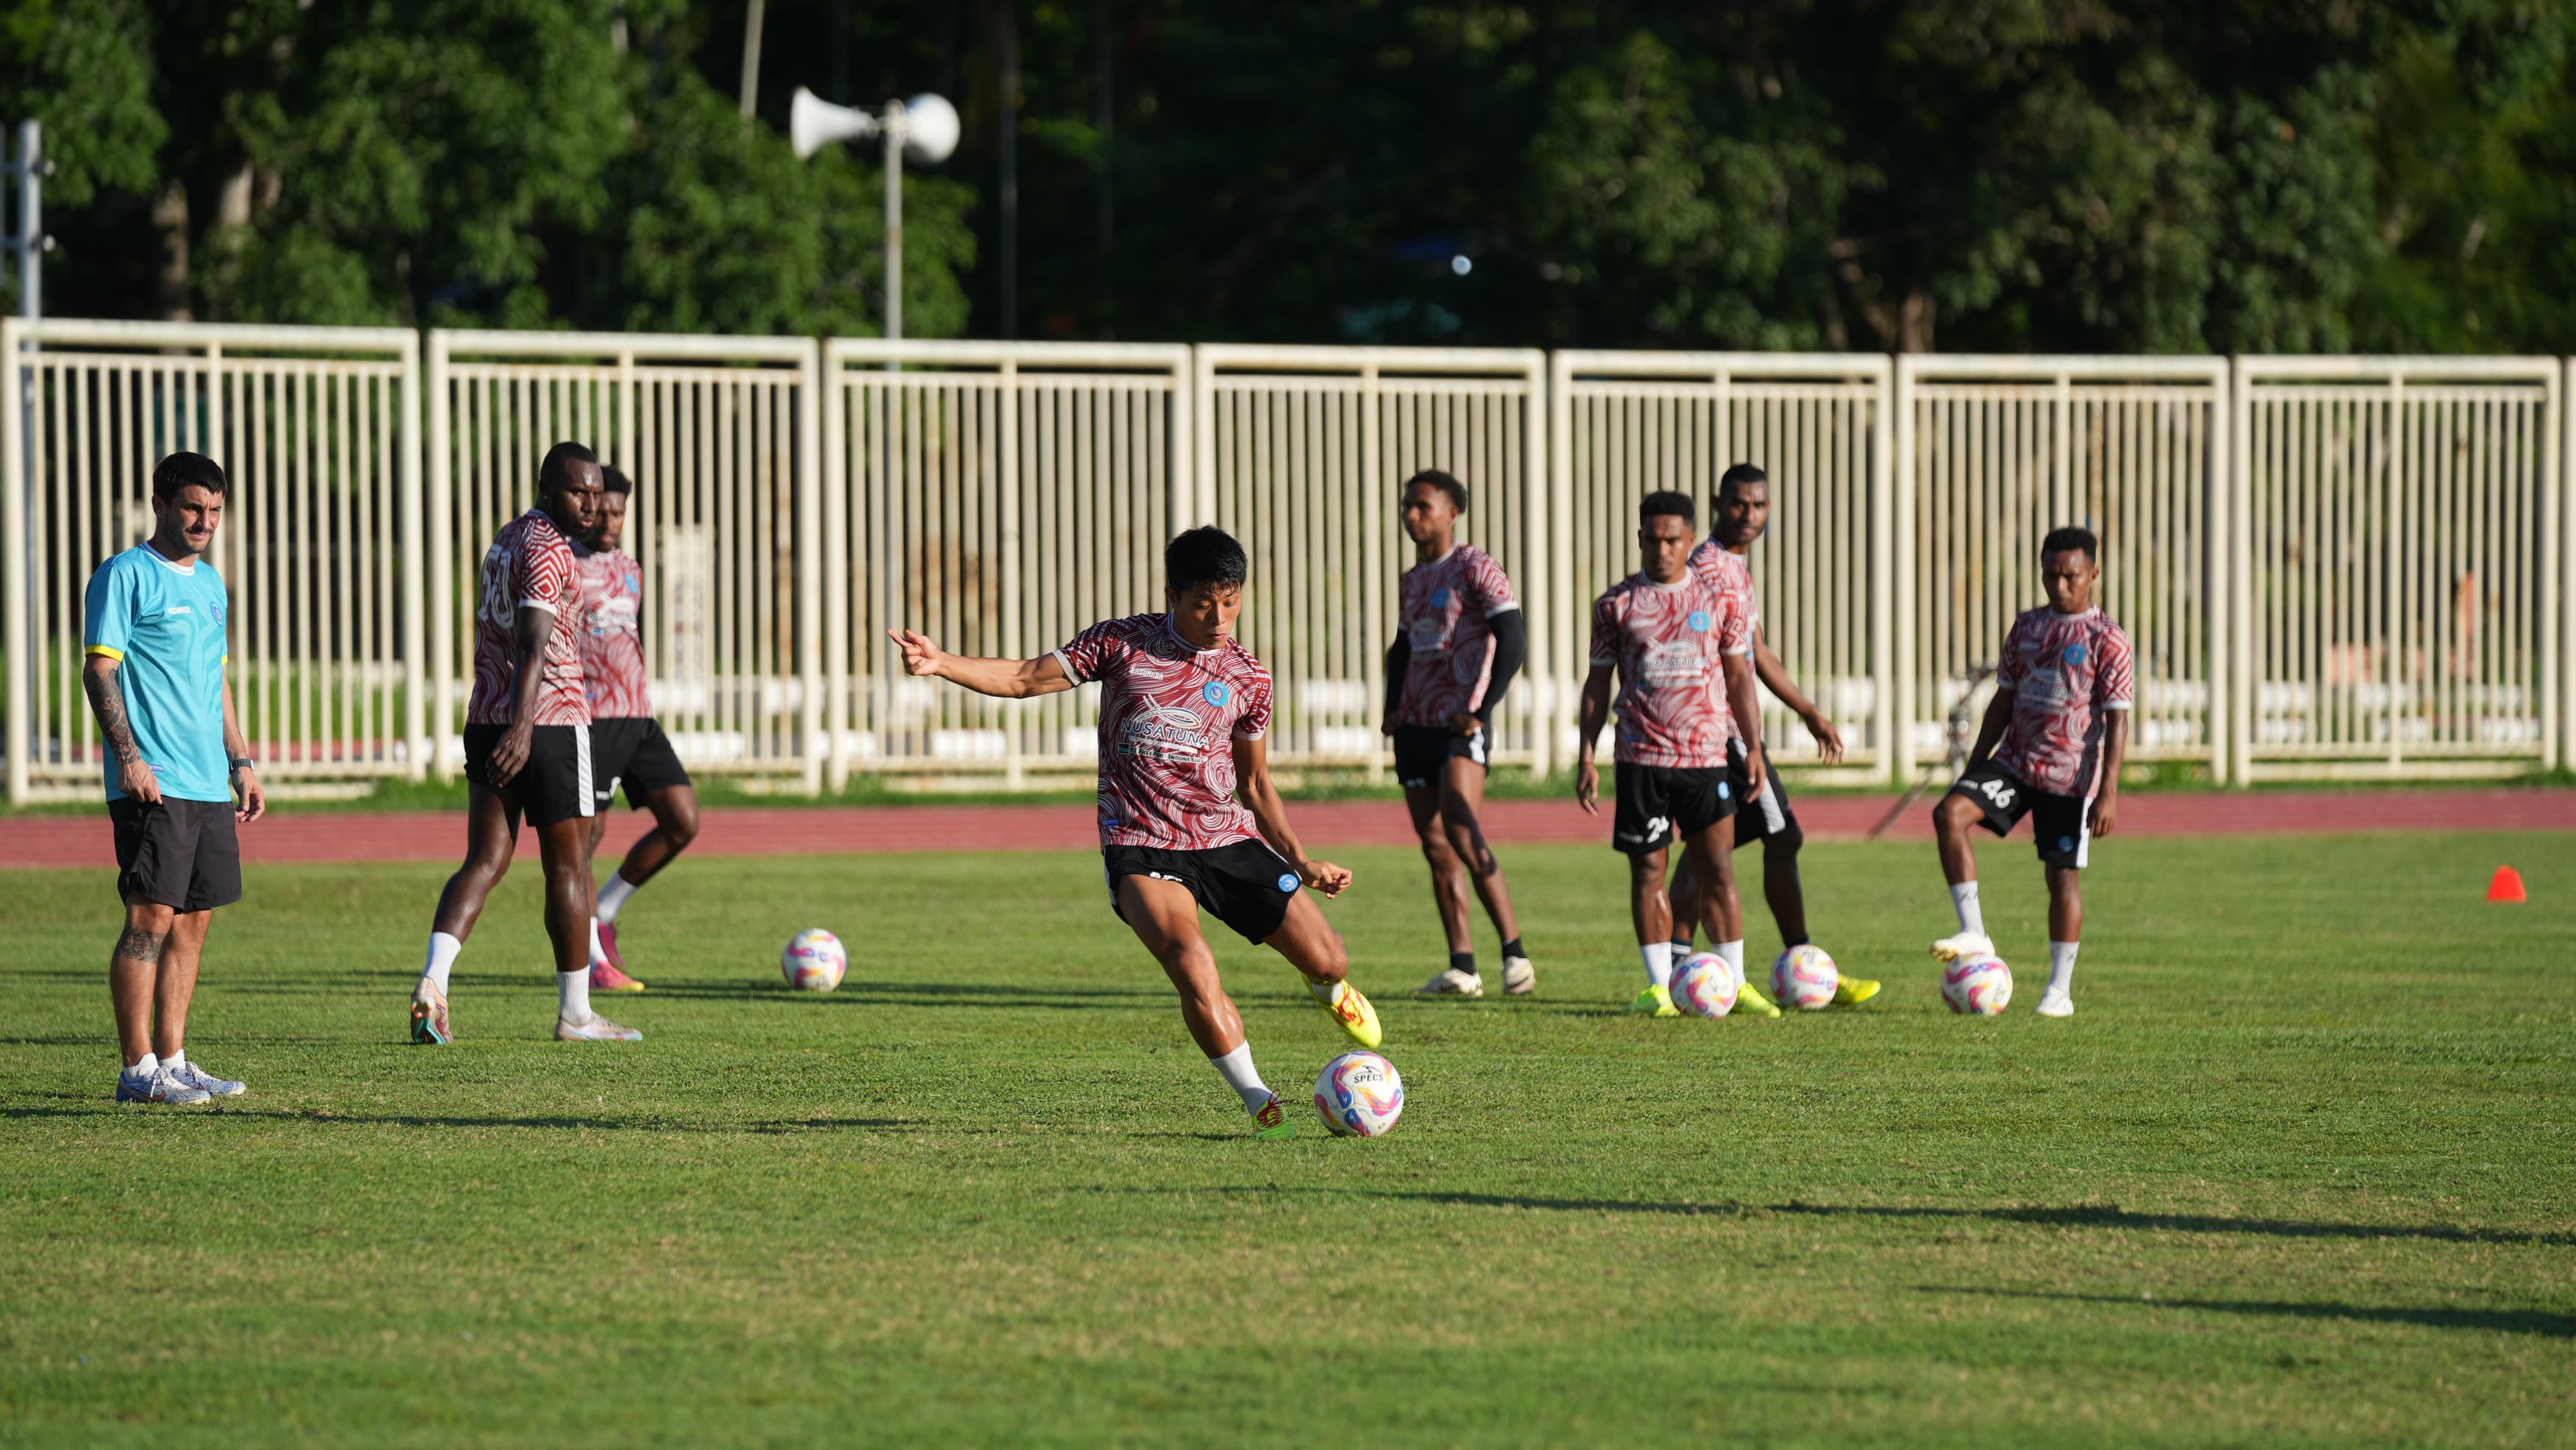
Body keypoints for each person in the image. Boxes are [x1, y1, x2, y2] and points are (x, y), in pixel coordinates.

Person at [889, 526, 1381, 1138]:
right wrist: (941, 664)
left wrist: (1302, 860)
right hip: (1142, 844)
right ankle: (1259, 1098)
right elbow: (1022, 677)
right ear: (1172, 593)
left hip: (1224, 837)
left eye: (1231, 600)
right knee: (1190, 960)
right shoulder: (1121, 643)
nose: (1219, 617)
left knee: (1330, 957)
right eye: (1204, 602)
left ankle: (1326, 986)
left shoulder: (1248, 678)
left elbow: (1254, 785)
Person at [409, 442, 640, 1043]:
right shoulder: (549, 550)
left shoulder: (506, 540)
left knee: (485, 860)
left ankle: (434, 981)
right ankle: (576, 1016)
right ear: (547, 489)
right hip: (549, 722)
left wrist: (507, 722)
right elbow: (533, 643)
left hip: (487, 715)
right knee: (570, 867)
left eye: (595, 493)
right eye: (577, 492)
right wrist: (524, 725)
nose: (590, 504)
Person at [82, 451, 265, 1104]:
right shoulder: (124, 576)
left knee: (193, 921)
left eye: (214, 510)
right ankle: (137, 1072)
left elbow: (216, 679)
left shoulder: (211, 583)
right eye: (193, 507)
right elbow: (99, 671)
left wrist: (239, 761)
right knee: (149, 918)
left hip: (207, 781)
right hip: (152, 780)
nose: (204, 521)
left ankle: (175, 1060)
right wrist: (128, 756)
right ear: (160, 504)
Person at [1664, 465, 1878, 1010]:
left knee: (1708, 848)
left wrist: (1807, 709)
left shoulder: (1736, 567)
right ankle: (1799, 961)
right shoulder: (1707, 567)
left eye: (1760, 506)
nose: (1751, 516)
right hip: (1721, 730)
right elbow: (1724, 659)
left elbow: (1756, 650)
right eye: (1740, 504)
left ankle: (1677, 970)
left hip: (1723, 730)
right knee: (1774, 839)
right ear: (1719, 502)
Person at [1575, 491, 1766, 1018]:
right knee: (1647, 873)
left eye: (1673, 540)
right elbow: (1597, 685)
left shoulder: (1717, 600)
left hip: (1706, 757)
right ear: (1640, 539)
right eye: (1653, 540)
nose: (1662, 550)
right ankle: (1660, 988)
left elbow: (1738, 678)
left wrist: (1753, 747)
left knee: (1719, 868)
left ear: (1689, 541)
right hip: (1641, 757)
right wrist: (1587, 754)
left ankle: (1739, 981)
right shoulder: (1615, 605)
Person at [1928, 526, 2132, 1017]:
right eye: (2050, 575)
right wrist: (1977, 763)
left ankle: (2058, 991)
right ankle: (1974, 932)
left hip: (2069, 778)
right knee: (1949, 815)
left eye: (2070, 576)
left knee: (2061, 880)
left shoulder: (2107, 639)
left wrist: (2108, 792)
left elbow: (2117, 718)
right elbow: (2005, 697)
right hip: (2016, 763)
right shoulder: (2026, 627)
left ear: (2093, 575)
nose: (2059, 586)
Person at [1380, 468, 1534, 999]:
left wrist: (1483, 710)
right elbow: (1400, 649)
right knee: (1436, 846)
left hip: (1456, 725)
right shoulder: (1411, 579)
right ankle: (1463, 968)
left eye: (1423, 506)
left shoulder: (1477, 568)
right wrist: (1391, 708)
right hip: (1415, 727)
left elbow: (1512, 639)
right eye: (1407, 506)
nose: (1412, 515)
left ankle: (1515, 956)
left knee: (1463, 833)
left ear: (1453, 512)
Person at [572, 466, 699, 993]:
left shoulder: (631, 569)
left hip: (638, 718)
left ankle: (604, 911)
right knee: (587, 839)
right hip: (590, 719)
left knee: (682, 820)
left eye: (618, 511)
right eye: (600, 509)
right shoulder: (566, 565)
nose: (609, 520)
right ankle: (589, 955)